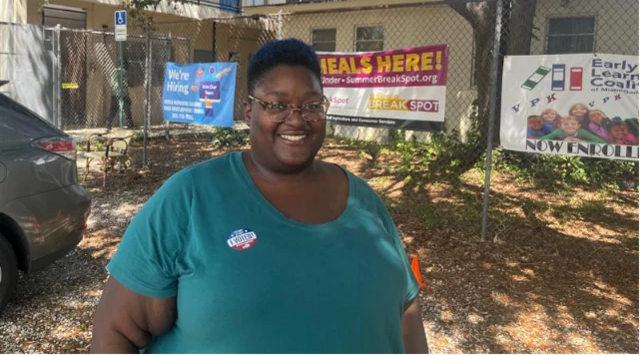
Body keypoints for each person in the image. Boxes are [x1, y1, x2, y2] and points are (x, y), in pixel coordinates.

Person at [90, 39, 429, 354]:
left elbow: (406, 305)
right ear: (249, 110)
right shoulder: (190, 199)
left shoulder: (364, 201)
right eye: (277, 105)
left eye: (311, 104)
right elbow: (114, 330)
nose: (296, 119)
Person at [106, 63, 134, 130]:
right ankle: (129, 123)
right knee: (127, 108)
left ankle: (108, 123)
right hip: (122, 93)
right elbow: (125, 82)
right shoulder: (123, 71)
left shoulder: (114, 71)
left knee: (113, 109)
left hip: (114, 93)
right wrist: (130, 85)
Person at [541, 115, 607, 143]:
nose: (570, 126)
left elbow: (602, 142)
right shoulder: (558, 132)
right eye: (566, 124)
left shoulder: (582, 132)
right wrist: (562, 142)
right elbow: (542, 140)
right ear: (560, 126)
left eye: (573, 124)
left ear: (578, 126)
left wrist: (582, 141)